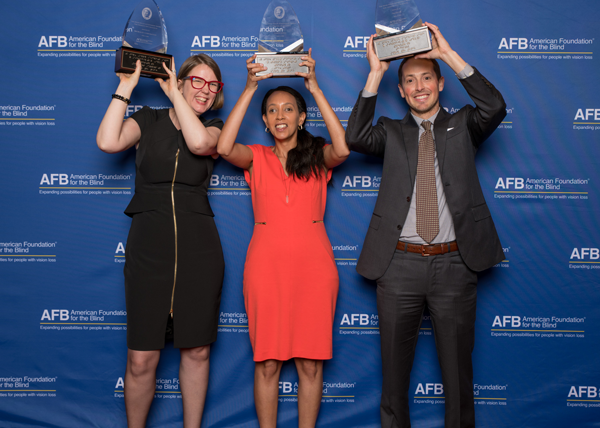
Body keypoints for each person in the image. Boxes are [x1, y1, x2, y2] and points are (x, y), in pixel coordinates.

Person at [345, 22, 506, 428]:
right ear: (400, 91)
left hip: (455, 264)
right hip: (398, 266)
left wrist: (448, 54)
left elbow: (495, 107)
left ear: (439, 83)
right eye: (410, 81)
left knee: (457, 377)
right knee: (394, 379)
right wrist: (376, 73)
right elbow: (355, 137)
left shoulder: (465, 125)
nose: (419, 87)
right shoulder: (391, 131)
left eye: (426, 78)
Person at [217, 50, 349, 428]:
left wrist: (315, 88)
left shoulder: (317, 157)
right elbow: (224, 147)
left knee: (310, 363)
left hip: (314, 269)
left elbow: (343, 148)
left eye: (289, 109)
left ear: (302, 117)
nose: (280, 116)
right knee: (268, 361)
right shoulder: (256, 157)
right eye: (272, 110)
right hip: (265, 268)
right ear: (264, 119)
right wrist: (248, 89)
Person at [96, 54, 226, 428]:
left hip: (199, 250)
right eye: (197, 81)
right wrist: (126, 86)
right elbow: (108, 141)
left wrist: (178, 99)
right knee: (141, 359)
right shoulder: (148, 119)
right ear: (180, 81)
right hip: (148, 248)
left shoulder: (216, 127)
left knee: (197, 350)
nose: (205, 90)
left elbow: (199, 143)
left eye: (212, 84)